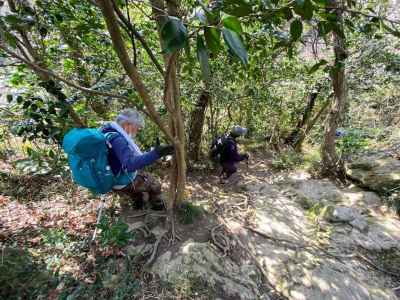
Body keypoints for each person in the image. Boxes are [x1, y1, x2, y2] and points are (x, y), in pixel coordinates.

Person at [101, 109, 174, 210]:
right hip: (121, 181)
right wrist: (156, 153)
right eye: (137, 126)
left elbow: (124, 156)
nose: (138, 129)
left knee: (142, 177)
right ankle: (157, 207)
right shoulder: (117, 139)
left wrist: (151, 153)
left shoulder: (108, 131)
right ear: (128, 124)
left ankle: (138, 203)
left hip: (112, 177)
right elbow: (130, 165)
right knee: (154, 184)